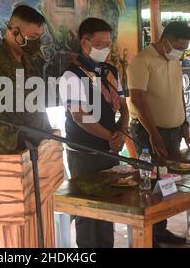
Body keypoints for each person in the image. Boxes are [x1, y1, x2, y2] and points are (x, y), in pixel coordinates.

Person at [59, 18, 129, 248]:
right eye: (99, 44)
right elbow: (80, 116)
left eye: (108, 44)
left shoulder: (110, 70)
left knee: (108, 205)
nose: (105, 49)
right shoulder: (71, 75)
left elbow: (123, 105)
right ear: (84, 42)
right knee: (88, 209)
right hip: (84, 151)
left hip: (110, 146)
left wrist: (122, 130)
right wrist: (111, 136)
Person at [128, 21, 190, 247]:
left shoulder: (173, 61)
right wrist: (154, 135)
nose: (181, 51)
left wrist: (184, 124)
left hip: (174, 130)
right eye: (179, 46)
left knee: (168, 181)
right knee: (150, 184)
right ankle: (149, 236)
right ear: (166, 40)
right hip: (149, 132)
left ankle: (161, 230)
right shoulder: (142, 61)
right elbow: (138, 100)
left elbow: (179, 94)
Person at [0, 5, 51, 155]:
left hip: (36, 150)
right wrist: (21, 142)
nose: (38, 42)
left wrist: (47, 134)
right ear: (15, 32)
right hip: (5, 155)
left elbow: (38, 105)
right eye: (33, 37)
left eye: (39, 37)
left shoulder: (28, 61)